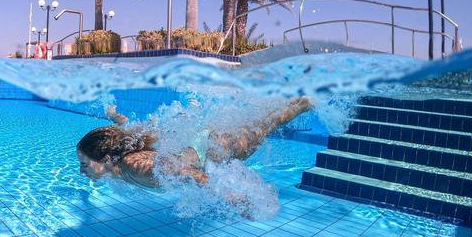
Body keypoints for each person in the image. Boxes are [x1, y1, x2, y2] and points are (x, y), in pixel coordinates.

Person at [76, 97, 313, 192]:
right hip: (198, 143)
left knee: (268, 124)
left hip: (208, 150)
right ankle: (291, 99)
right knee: (261, 122)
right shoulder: (122, 153)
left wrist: (230, 197)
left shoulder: (132, 165)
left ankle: (306, 101)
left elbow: (184, 171)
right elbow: (129, 129)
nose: (81, 170)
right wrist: (116, 117)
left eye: (84, 163)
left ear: (105, 159)